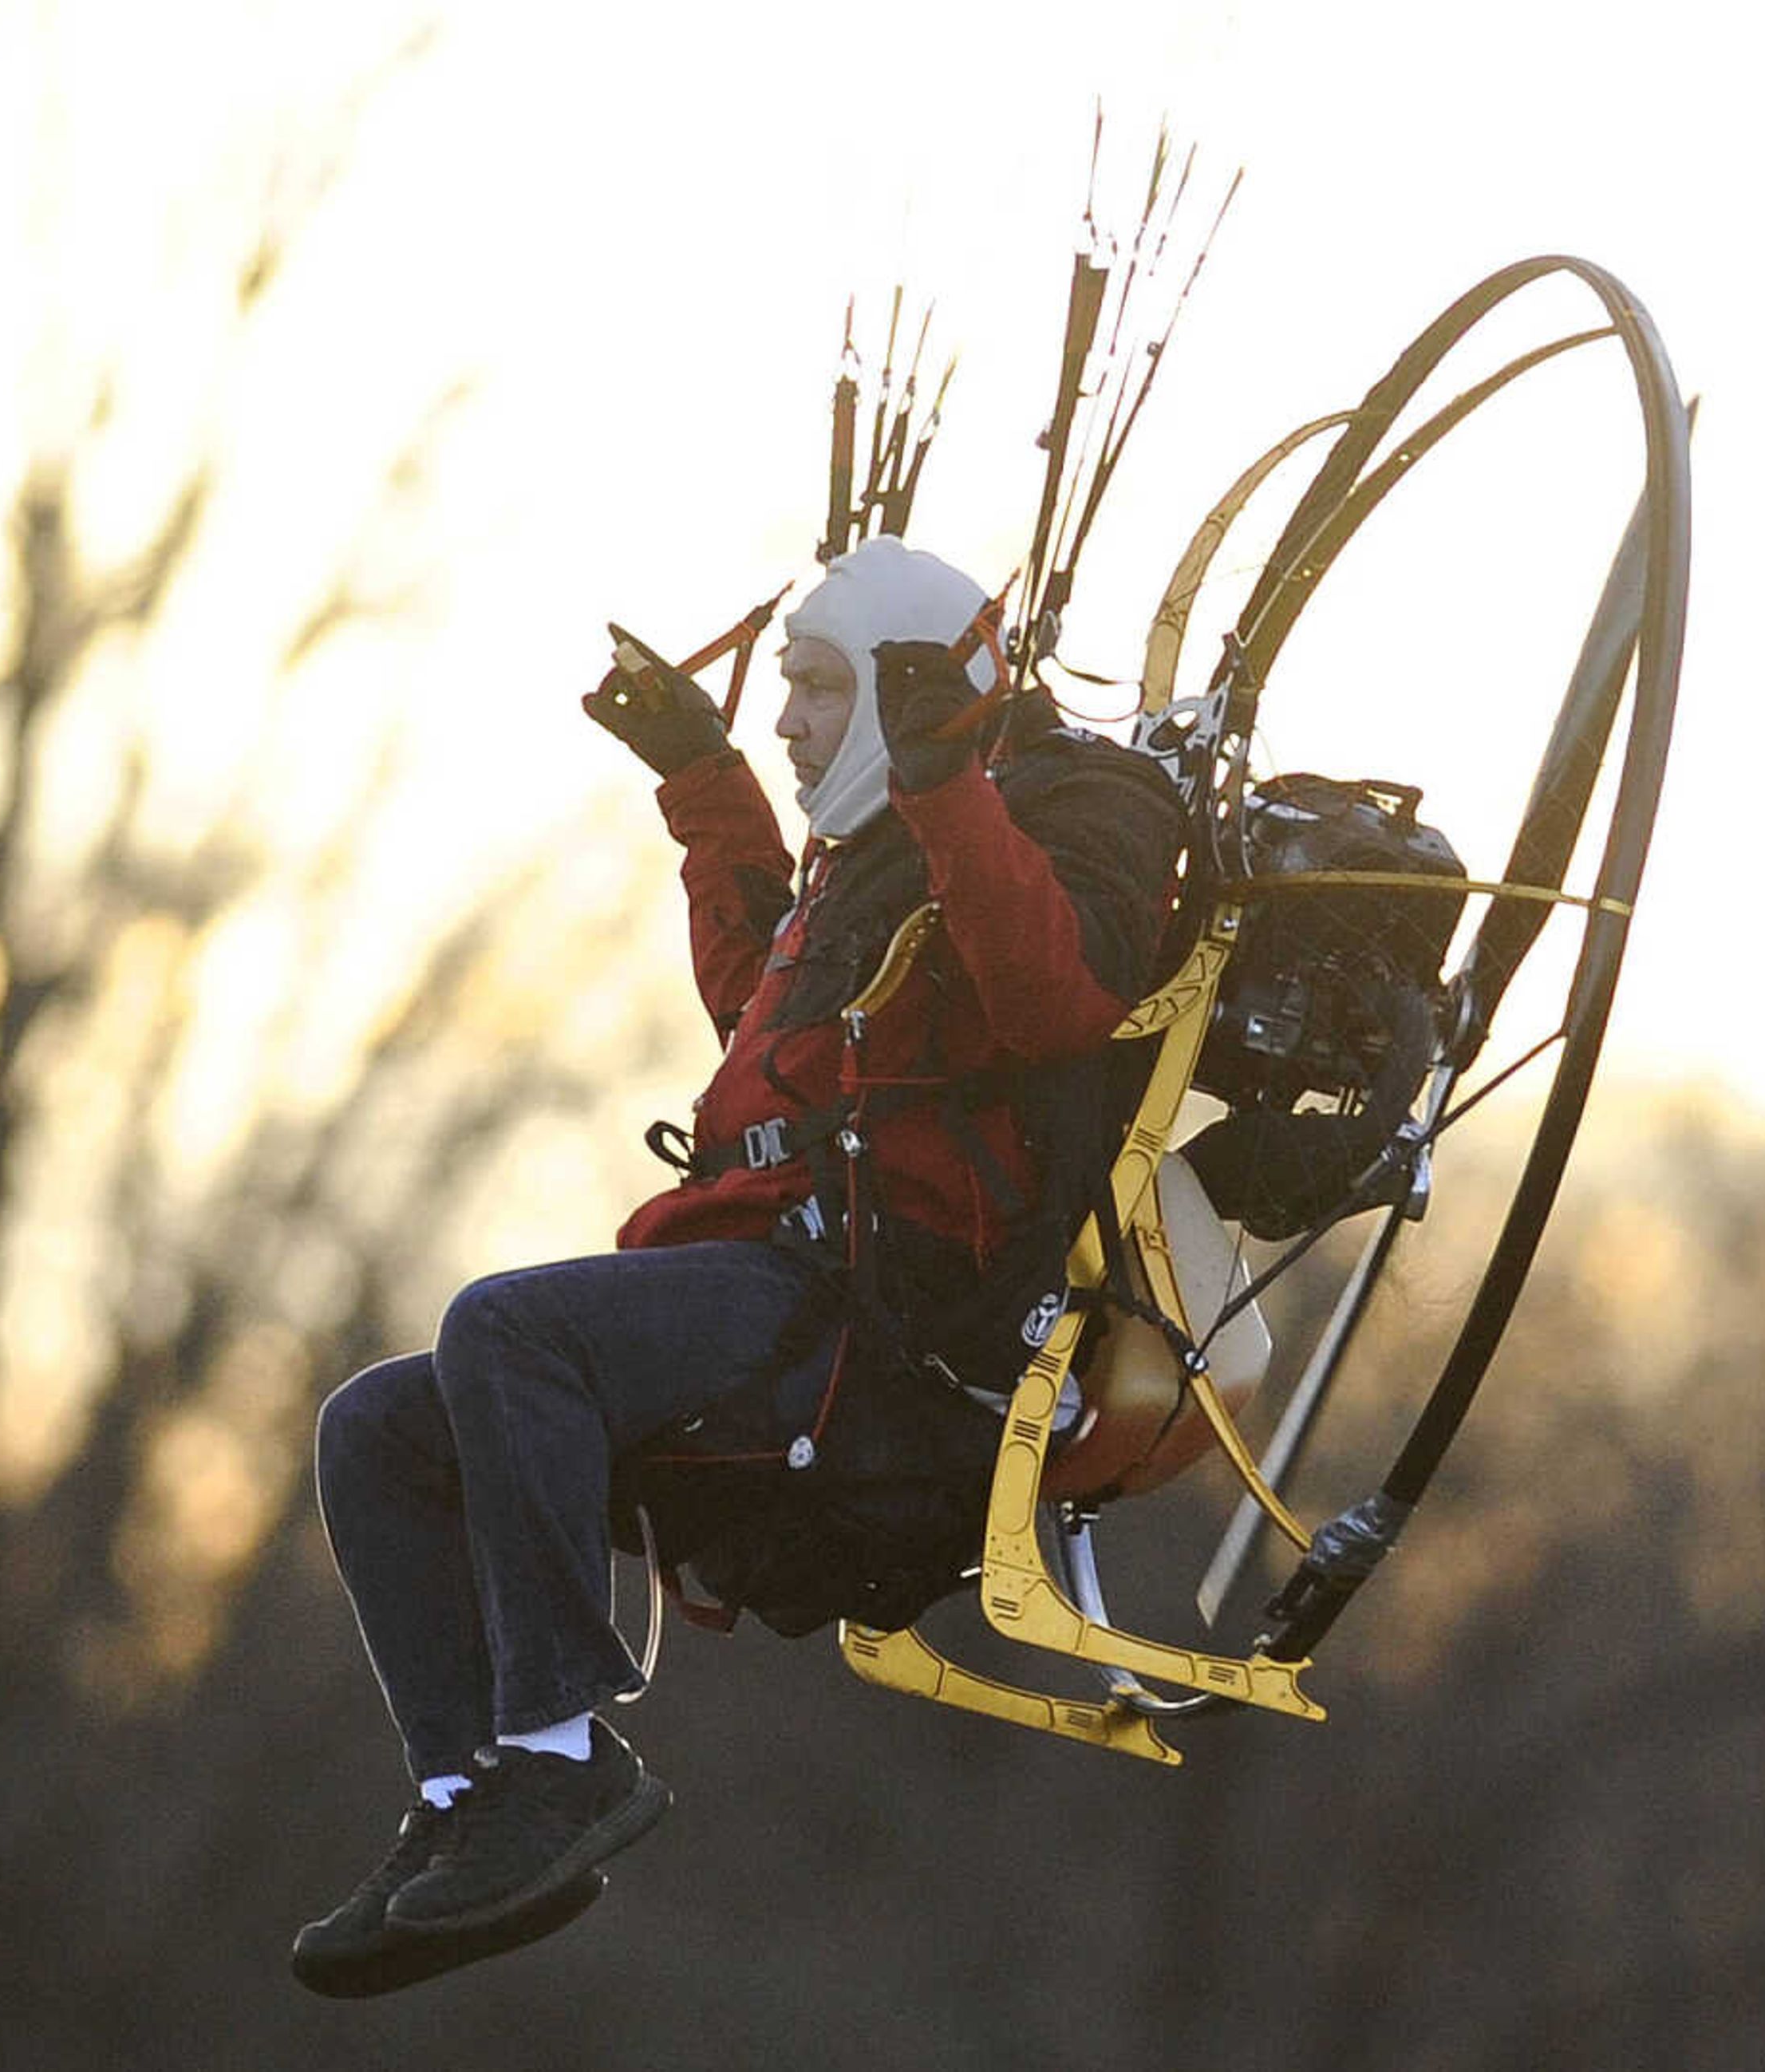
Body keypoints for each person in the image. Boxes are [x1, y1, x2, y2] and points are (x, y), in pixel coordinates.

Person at [289, 539, 1187, 1997]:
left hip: (868, 1317)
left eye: (821, 692)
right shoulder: (879, 858)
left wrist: (950, 777)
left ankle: (560, 1755)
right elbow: (766, 1023)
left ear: (914, 697)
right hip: (757, 1269)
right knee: (377, 1427)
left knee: (507, 1333)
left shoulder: (1067, 815)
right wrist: (707, 783)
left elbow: (1054, 998)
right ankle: (468, 1801)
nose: (792, 722)